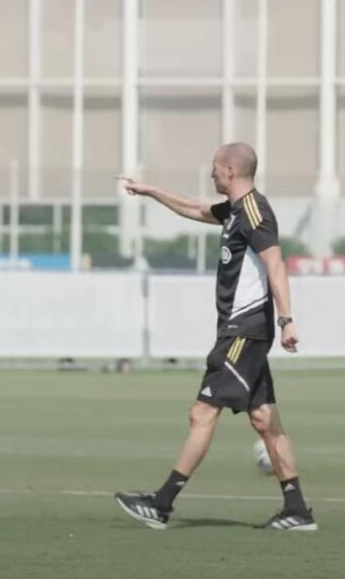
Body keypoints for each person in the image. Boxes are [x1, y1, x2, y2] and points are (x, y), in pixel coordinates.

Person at [113, 143, 316, 531]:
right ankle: (297, 511)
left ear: (231, 171)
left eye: (215, 168)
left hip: (244, 330)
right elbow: (195, 208)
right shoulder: (235, 210)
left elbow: (276, 263)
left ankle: (161, 504)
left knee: (202, 412)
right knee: (264, 419)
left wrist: (286, 320)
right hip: (242, 330)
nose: (211, 174)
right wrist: (151, 191)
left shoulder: (254, 211)